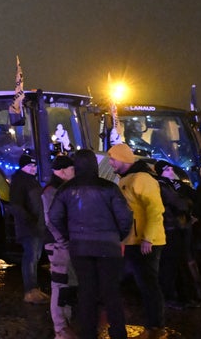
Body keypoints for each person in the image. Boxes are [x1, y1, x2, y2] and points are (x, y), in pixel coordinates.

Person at [48, 148, 133, 339]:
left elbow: (54, 217)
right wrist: (117, 236)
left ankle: (88, 333)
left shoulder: (66, 189)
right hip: (108, 248)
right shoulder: (109, 187)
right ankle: (118, 333)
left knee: (87, 292)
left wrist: (69, 236)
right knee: (111, 292)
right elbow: (125, 217)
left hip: (80, 247)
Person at [107, 142, 166, 331]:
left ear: (123, 159)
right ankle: (151, 322)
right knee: (142, 283)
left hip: (146, 242)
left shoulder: (141, 178)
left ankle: (155, 324)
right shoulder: (127, 178)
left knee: (148, 285)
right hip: (134, 240)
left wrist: (148, 237)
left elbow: (155, 209)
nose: (110, 162)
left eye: (113, 158)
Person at [42, 155, 78, 339]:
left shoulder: (59, 188)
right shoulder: (51, 191)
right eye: (72, 169)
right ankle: (61, 329)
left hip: (61, 243)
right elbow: (51, 220)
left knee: (66, 283)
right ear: (63, 171)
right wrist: (63, 241)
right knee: (60, 284)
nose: (75, 173)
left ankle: (65, 325)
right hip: (58, 244)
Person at [154, 160, 199, 308]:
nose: (171, 169)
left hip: (176, 228)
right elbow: (181, 203)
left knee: (177, 264)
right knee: (172, 265)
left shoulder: (172, 184)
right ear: (161, 172)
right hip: (171, 228)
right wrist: (186, 204)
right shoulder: (163, 184)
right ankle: (172, 297)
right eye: (167, 169)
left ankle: (184, 296)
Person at [10, 152, 50, 303]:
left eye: (34, 165)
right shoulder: (20, 182)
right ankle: (30, 291)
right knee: (31, 258)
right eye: (30, 165)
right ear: (23, 167)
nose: (33, 168)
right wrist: (30, 219)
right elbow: (16, 206)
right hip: (29, 227)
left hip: (37, 226)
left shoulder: (31, 181)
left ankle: (35, 289)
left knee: (36, 257)